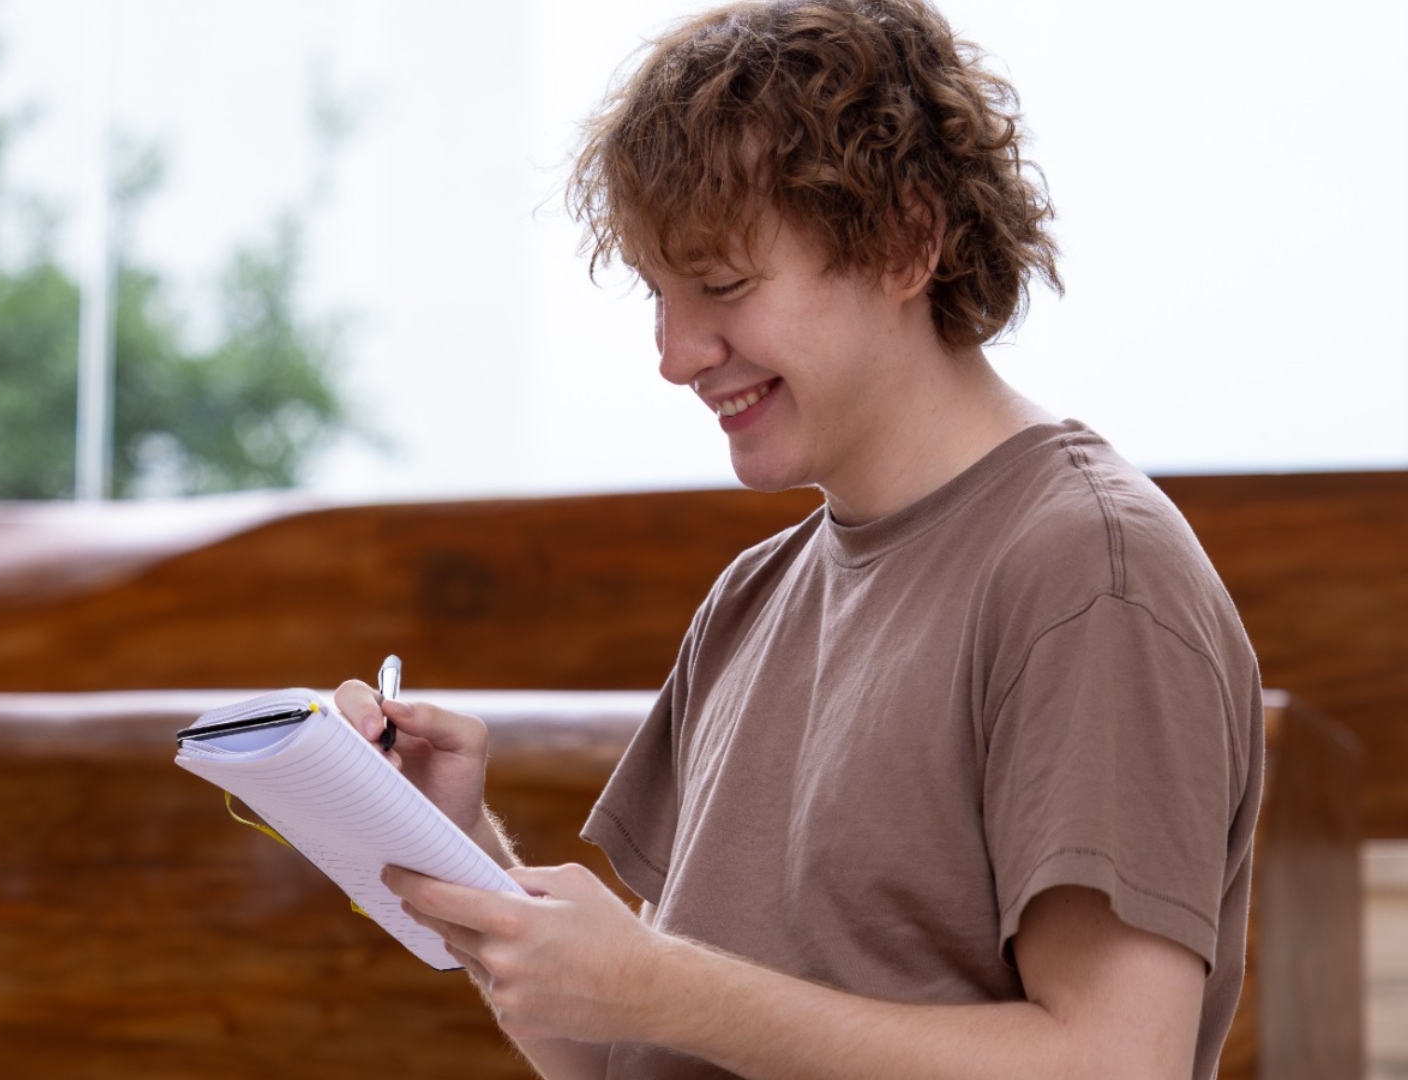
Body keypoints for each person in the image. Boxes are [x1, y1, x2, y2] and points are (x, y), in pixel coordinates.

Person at [335, 1, 1262, 1077]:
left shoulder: (1090, 573)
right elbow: (632, 1054)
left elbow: (1114, 1065)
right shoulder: (751, 596)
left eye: (723, 286)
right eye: (657, 295)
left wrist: (656, 980)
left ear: (910, 238)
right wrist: (457, 860)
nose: (677, 355)